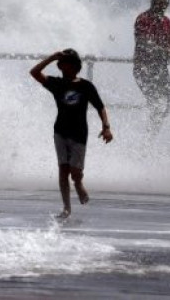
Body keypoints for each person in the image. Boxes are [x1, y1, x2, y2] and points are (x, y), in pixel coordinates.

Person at [30, 49, 113, 219]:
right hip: (60, 131)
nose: (62, 66)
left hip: (79, 133)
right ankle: (66, 208)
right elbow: (34, 72)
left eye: (66, 63)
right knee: (63, 170)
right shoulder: (57, 84)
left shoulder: (85, 86)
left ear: (75, 66)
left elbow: (100, 106)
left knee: (75, 171)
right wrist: (52, 57)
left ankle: (79, 182)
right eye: (61, 64)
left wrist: (106, 127)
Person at [133, 0, 170, 132]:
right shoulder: (143, 18)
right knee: (155, 102)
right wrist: (162, 51)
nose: (162, 5)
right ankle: (144, 135)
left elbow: (169, 48)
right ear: (152, 1)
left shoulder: (167, 22)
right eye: (158, 1)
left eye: (165, 2)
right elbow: (142, 42)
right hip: (143, 67)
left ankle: (152, 135)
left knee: (166, 102)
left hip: (160, 68)